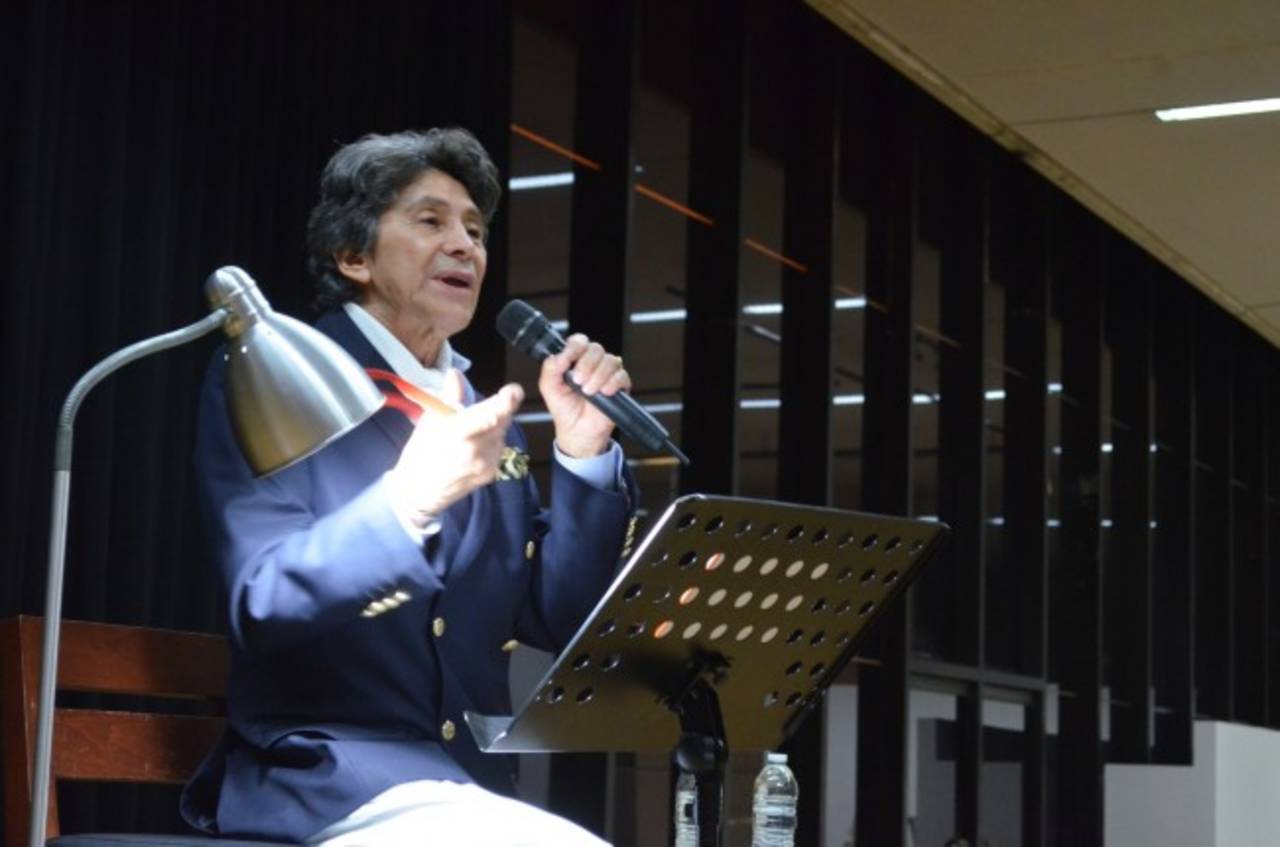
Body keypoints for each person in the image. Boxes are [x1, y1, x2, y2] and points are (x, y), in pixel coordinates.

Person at [181, 128, 636, 846]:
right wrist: (406, 503)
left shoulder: (479, 411)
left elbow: (555, 619)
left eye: (475, 231)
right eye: (430, 221)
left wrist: (584, 455)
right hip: (328, 778)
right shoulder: (281, 382)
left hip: (469, 786)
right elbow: (261, 601)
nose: (464, 246)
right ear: (353, 256)